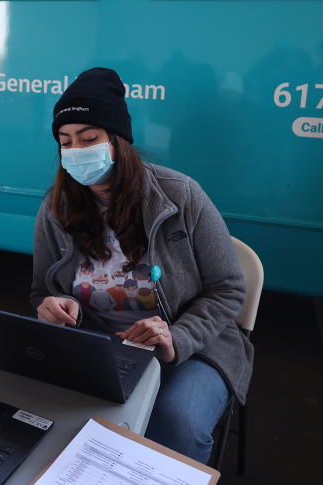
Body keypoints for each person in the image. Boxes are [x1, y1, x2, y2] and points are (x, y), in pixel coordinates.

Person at [30, 67, 253, 464]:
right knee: (47, 411)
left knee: (177, 422)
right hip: (100, 346)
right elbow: (41, 290)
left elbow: (228, 288)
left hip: (193, 346)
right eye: (65, 141)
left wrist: (178, 338)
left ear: (117, 140)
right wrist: (51, 305)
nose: (76, 150)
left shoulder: (180, 195)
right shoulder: (55, 208)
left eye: (89, 138)